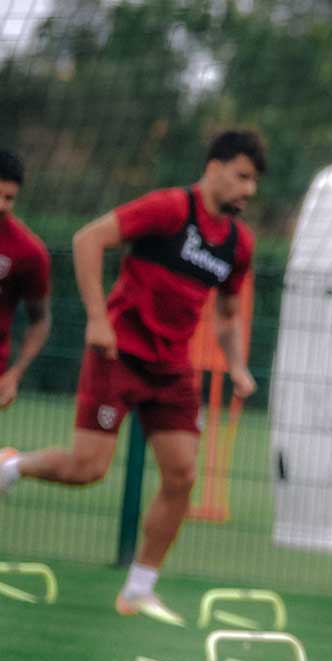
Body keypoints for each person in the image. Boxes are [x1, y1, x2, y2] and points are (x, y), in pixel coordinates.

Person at [0, 131, 264, 625]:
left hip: (172, 368)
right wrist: (99, 319)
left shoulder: (237, 244)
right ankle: (11, 467)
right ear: (214, 167)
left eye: (255, 181)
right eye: (243, 176)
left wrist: (238, 366)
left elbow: (228, 316)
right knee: (88, 469)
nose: (249, 190)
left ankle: (139, 589)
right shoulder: (168, 208)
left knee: (183, 475)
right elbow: (88, 239)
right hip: (118, 354)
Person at [0, 150, 52, 410]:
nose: (1, 204)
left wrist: (15, 374)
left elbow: (40, 320)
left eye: (8, 198)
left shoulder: (28, 251)